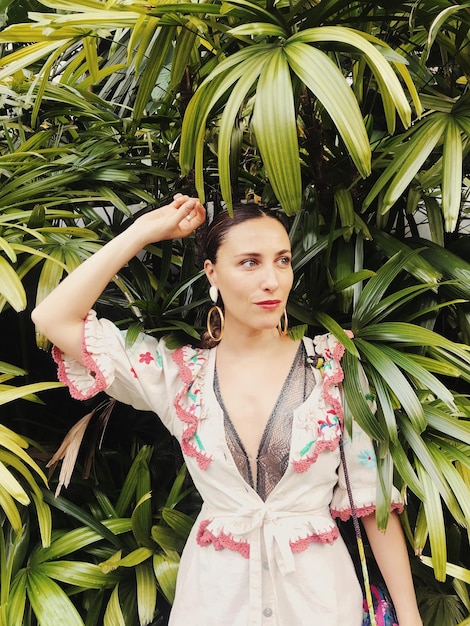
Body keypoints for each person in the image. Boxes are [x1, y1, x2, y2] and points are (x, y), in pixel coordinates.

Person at [32, 194, 423, 626]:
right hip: (215, 605)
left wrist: (410, 618)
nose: (272, 280)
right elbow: (53, 316)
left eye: (282, 260)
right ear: (212, 274)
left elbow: (373, 503)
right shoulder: (179, 378)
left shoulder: (335, 366)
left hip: (321, 605)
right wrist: (143, 232)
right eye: (250, 262)